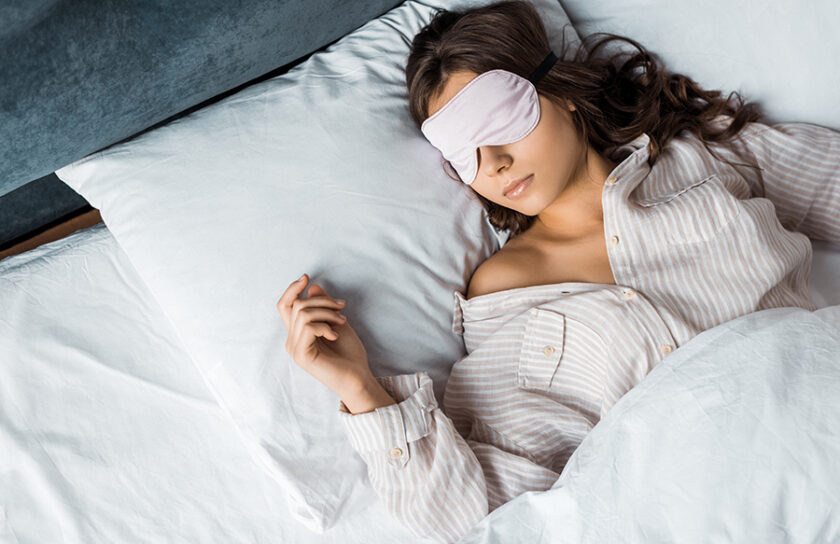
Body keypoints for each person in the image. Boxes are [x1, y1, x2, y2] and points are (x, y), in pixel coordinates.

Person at [276, 1, 840, 542]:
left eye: (498, 121)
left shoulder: (703, 160)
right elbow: (487, 516)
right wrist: (361, 389)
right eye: (463, 153)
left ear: (561, 92)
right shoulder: (505, 292)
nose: (492, 162)